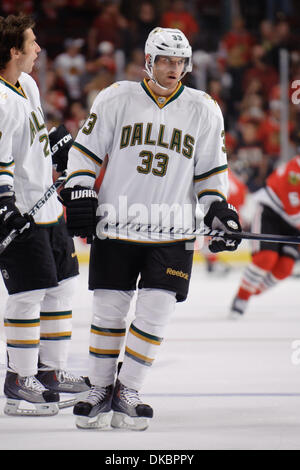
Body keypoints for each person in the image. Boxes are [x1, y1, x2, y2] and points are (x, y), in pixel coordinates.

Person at [61, 26, 242, 430]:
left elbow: (210, 177)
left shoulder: (204, 108)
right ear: (149, 61)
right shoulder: (115, 97)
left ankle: (129, 389)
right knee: (108, 311)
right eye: (166, 60)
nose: (174, 68)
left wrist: (220, 212)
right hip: (117, 224)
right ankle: (99, 388)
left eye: (180, 62)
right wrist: (79, 192)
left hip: (173, 230)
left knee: (155, 313)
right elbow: (84, 154)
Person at [0, 14, 90, 417]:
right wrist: (4, 208)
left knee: (63, 286)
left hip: (49, 207)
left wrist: (57, 145)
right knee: (27, 294)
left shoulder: (29, 85)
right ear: (14, 50)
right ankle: (18, 381)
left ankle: (50, 372)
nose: (38, 49)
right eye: (31, 43)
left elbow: (35, 134)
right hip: (22, 211)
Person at [230, 154, 300, 319]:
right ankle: (242, 296)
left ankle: (252, 290)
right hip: (271, 214)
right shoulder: (294, 172)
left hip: (293, 223)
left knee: (285, 268)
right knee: (266, 258)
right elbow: (293, 208)